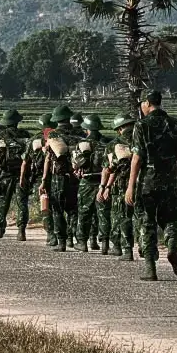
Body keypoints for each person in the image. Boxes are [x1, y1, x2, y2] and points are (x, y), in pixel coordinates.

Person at [125, 91, 177, 281]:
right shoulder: (176, 125)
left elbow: (136, 158)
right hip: (169, 181)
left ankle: (150, 268)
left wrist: (130, 186)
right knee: (170, 220)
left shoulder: (142, 126)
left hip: (148, 182)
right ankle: (171, 249)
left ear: (147, 103)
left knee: (147, 223)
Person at [41, 106, 81, 252]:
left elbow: (48, 159)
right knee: (73, 208)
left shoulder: (53, 135)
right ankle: (72, 238)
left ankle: (62, 241)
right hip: (77, 176)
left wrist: (44, 180)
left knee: (57, 209)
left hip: (59, 177)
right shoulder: (80, 133)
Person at [99, 115, 137, 260]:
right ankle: (144, 247)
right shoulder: (143, 140)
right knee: (141, 216)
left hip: (121, 186)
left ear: (119, 129)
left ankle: (125, 249)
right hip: (143, 184)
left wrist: (104, 187)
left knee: (122, 217)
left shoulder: (113, 145)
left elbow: (108, 169)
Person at [0, 110, 28, 239]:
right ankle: (21, 230)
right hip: (23, 174)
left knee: (2, 201)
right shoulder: (26, 135)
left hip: (5, 173)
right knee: (22, 202)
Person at [74, 114, 107, 252]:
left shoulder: (82, 144)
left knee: (84, 212)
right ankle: (104, 243)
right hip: (103, 182)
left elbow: (76, 165)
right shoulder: (107, 143)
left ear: (87, 129)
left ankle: (82, 242)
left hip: (87, 182)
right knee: (103, 213)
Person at [21, 116, 54, 242]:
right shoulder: (58, 138)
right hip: (57, 176)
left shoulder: (34, 140)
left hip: (40, 177)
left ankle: (50, 234)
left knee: (45, 206)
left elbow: (25, 161)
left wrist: (22, 177)